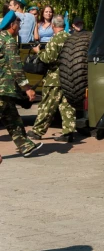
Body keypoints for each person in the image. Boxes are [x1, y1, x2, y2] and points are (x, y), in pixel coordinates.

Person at [27, 15, 77, 143]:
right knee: (66, 105)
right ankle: (68, 132)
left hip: (54, 78)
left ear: (53, 26)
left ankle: (37, 131)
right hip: (68, 77)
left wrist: (38, 51)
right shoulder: (70, 38)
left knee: (47, 105)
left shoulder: (55, 39)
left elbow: (48, 58)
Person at [0, 11, 43, 157]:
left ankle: (25, 146)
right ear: (12, 25)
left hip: (4, 90)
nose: (19, 27)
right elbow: (15, 67)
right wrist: (27, 88)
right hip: (3, 88)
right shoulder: (9, 41)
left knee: (12, 118)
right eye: (18, 23)